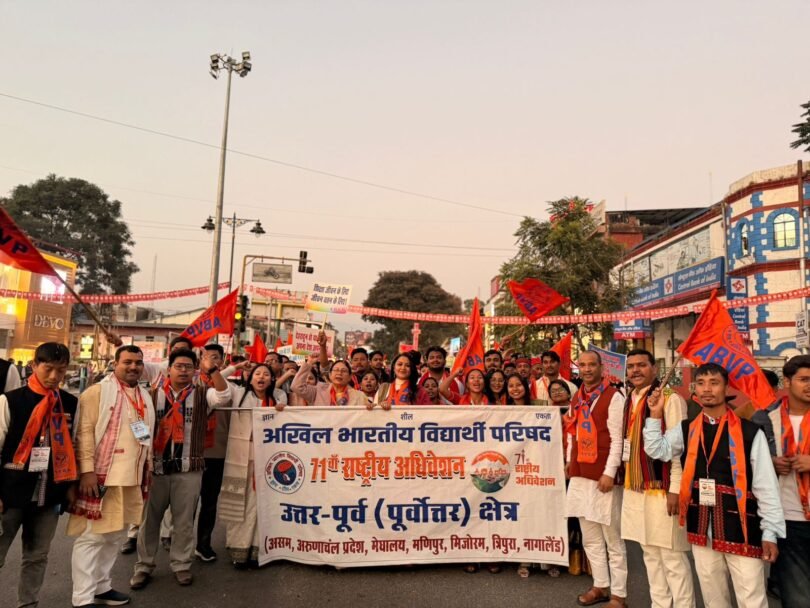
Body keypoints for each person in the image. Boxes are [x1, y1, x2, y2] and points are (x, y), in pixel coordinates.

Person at [643, 362, 785, 608]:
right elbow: (657, 449)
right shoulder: (687, 429)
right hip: (702, 529)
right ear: (694, 389)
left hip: (742, 528)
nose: (707, 389)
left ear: (726, 387)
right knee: (713, 600)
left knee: (752, 600)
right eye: (701, 383)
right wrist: (655, 414)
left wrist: (770, 532)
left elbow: (766, 487)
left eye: (714, 382)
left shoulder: (750, 432)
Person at [129, 348, 230, 589]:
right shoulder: (150, 395)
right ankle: (144, 566)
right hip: (156, 470)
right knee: (148, 521)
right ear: (168, 369)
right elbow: (137, 424)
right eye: (178, 366)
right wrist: (144, 451)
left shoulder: (203, 393)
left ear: (195, 370)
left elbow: (224, 396)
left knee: (184, 522)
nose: (183, 370)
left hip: (188, 468)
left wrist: (212, 369)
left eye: (188, 367)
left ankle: (181, 564)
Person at [67, 345, 156, 608]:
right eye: (127, 362)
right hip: (102, 477)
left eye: (138, 363)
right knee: (92, 537)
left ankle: (102, 587)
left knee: (114, 534)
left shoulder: (143, 395)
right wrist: (87, 471)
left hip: (132, 476)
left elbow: (145, 436)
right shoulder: (97, 392)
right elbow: (83, 433)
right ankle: (83, 598)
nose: (133, 367)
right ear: (115, 363)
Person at [0, 343, 78, 608]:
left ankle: (28, 604)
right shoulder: (10, 400)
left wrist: (70, 487)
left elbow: (75, 447)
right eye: (48, 369)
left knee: (36, 556)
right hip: (9, 493)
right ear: (34, 366)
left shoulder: (70, 403)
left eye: (61, 370)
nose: (55, 377)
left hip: (48, 494)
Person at [620, 349, 693, 608]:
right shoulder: (630, 397)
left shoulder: (670, 399)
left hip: (661, 488)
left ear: (654, 368)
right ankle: (660, 604)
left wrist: (676, 488)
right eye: (631, 366)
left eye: (642, 365)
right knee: (649, 553)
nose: (635, 371)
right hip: (635, 485)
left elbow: (678, 449)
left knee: (671, 557)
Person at [565, 350, 627, 608]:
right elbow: (572, 431)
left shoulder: (614, 397)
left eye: (592, 365)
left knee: (613, 539)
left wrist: (609, 473)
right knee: (590, 537)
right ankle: (600, 586)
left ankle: (619, 595)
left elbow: (617, 439)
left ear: (602, 368)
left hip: (603, 475)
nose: (587, 369)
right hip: (580, 474)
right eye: (583, 365)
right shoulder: (578, 396)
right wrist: (569, 459)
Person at [218, 364, 287, 568]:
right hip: (241, 458)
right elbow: (218, 381)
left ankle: (259, 549)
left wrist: (283, 411)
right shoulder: (238, 393)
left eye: (266, 374)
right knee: (242, 503)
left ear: (272, 379)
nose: (261, 377)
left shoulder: (279, 396)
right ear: (249, 378)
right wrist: (235, 367)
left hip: (269, 459)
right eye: (257, 373)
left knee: (262, 504)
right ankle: (239, 548)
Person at [763, 355, 810, 608]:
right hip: (788, 520)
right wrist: (770, 462)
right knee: (798, 599)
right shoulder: (765, 420)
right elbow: (746, 463)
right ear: (787, 381)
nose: (809, 385)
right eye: (804, 380)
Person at [196, 344, 244, 563]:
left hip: (218, 452)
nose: (209, 361)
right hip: (193, 451)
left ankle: (203, 544)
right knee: (184, 504)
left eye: (214, 357)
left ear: (222, 362)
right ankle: (179, 544)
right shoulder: (193, 384)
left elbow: (222, 394)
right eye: (204, 357)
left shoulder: (232, 389)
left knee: (209, 501)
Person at [291, 357, 367, 406]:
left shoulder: (359, 396)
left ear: (350, 377)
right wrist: (309, 363)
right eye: (336, 370)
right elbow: (296, 386)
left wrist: (370, 408)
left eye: (343, 371)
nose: (339, 373)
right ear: (330, 375)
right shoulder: (318, 391)